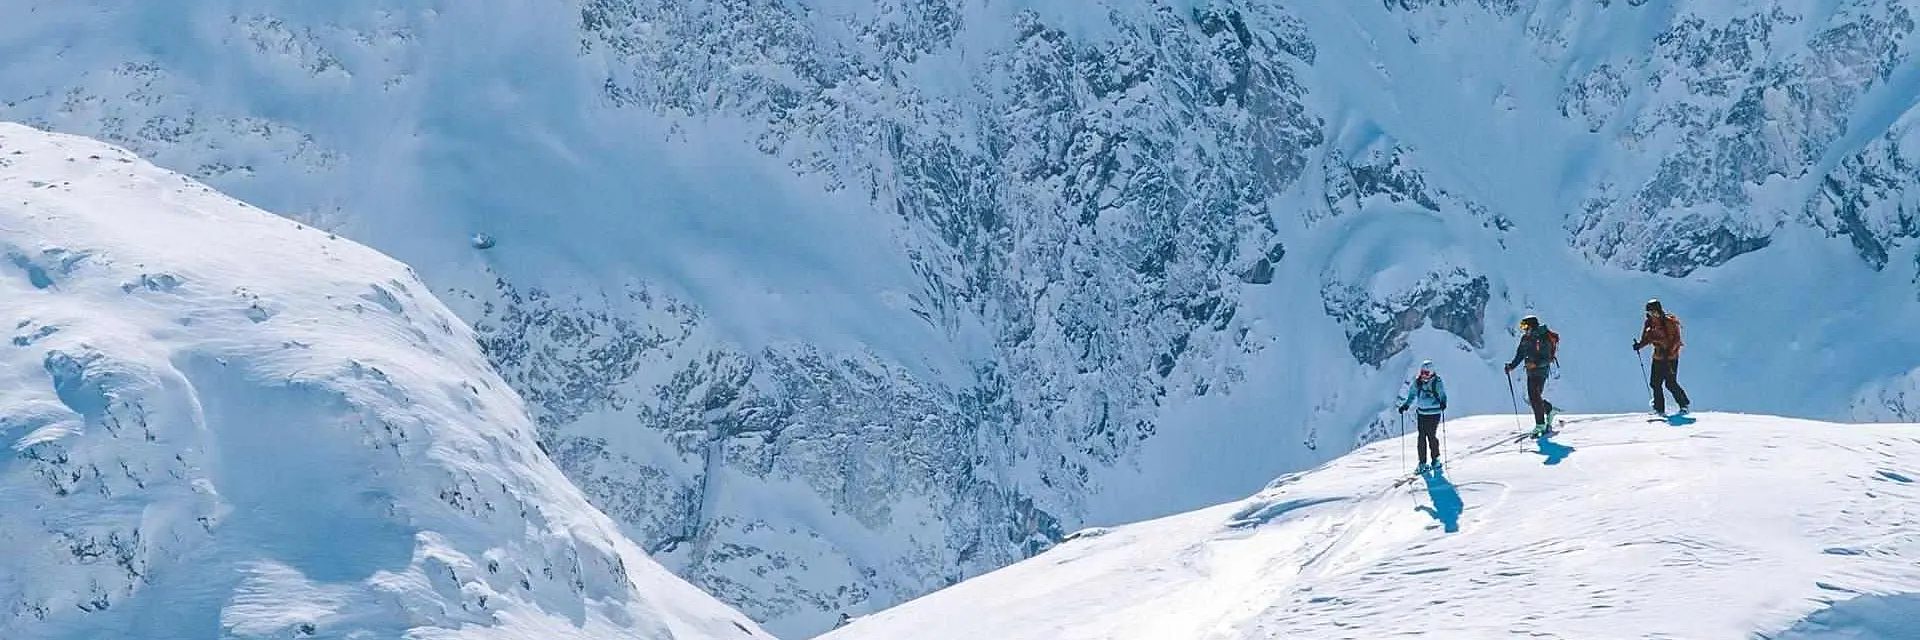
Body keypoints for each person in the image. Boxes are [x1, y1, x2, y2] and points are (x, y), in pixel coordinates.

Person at [1633, 298, 1690, 416]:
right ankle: (1659, 409)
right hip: (1658, 357)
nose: (1652, 315)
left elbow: (1677, 340)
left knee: (1670, 383)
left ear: (1659, 311)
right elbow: (1647, 338)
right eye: (1649, 312)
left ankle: (1684, 405)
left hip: (1670, 358)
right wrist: (1639, 345)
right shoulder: (1649, 323)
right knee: (1655, 383)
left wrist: (1669, 352)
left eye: (1653, 312)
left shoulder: (1669, 322)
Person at [1504, 315, 1558, 436]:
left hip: (1541, 372)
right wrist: (1511, 366)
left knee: (1534, 396)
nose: (1523, 329)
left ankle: (1540, 425)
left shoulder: (1543, 338)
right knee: (1534, 397)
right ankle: (1548, 409)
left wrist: (1535, 364)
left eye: (1525, 326)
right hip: (1531, 372)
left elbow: (1548, 358)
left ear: (1532, 326)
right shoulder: (1525, 339)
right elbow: (1520, 355)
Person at [1398, 360, 1448, 473]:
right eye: (1422, 372)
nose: (1423, 375)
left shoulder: (1437, 382)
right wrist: (1405, 406)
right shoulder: (1418, 382)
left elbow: (1442, 394)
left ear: (1431, 372)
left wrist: (1443, 403)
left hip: (1433, 413)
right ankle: (1423, 462)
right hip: (1422, 413)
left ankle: (1435, 460)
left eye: (1425, 373)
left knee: (1430, 436)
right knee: (1422, 437)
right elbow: (1412, 395)